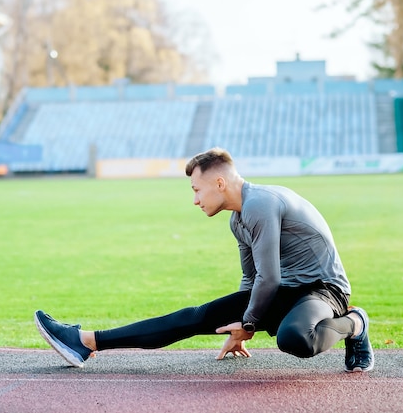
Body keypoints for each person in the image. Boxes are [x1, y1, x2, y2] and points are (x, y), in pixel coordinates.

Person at [34, 147, 374, 372]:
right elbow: (251, 279)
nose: (195, 200)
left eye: (197, 190)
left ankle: (356, 323)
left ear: (220, 182)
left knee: (295, 340)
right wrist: (244, 320)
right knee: (195, 317)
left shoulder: (261, 204)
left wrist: (250, 322)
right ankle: (86, 341)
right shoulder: (237, 219)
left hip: (323, 290)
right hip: (285, 291)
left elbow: (268, 278)